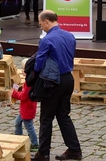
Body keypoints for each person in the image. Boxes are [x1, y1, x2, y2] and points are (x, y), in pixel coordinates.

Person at [33, 10, 82, 161]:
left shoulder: (47, 40)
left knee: (46, 118)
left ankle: (43, 153)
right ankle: (74, 149)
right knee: (63, 115)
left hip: (53, 82)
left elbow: (39, 64)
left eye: (41, 23)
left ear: (46, 21)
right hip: (68, 78)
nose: (40, 26)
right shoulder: (70, 36)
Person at [11, 81, 39, 152]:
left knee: (29, 127)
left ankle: (35, 144)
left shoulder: (29, 83)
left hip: (27, 109)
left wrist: (14, 93)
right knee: (17, 122)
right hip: (26, 109)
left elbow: (24, 96)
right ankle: (18, 139)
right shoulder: (30, 82)